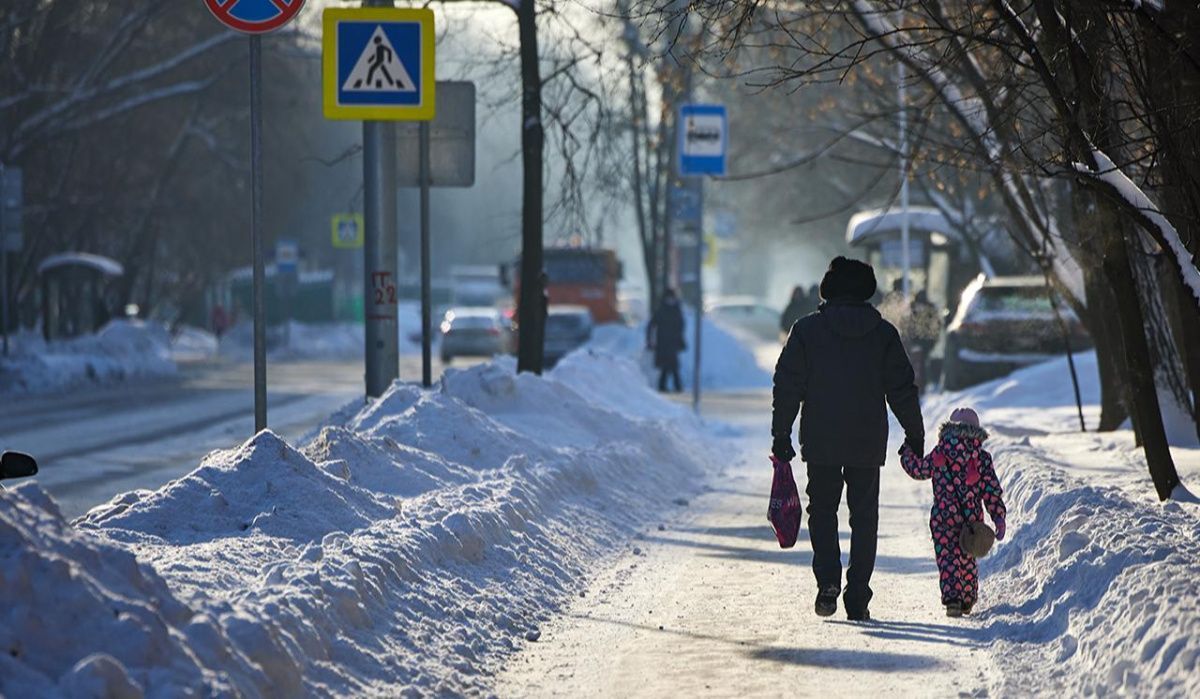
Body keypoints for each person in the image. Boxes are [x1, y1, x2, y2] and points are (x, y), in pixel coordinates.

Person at [771, 256, 924, 621]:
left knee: (822, 511)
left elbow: (788, 385)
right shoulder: (883, 334)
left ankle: (827, 580)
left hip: (821, 438)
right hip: (866, 439)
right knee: (864, 516)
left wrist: (781, 434)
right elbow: (902, 387)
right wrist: (914, 433)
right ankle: (858, 596)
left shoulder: (806, 331)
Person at [899, 407, 1007, 617]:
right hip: (971, 523)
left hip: (943, 519)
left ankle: (952, 600)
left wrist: (906, 454)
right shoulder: (982, 459)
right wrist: (999, 517)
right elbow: (991, 491)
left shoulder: (941, 453)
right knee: (967, 560)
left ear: (950, 429)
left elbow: (919, 470)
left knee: (947, 559)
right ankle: (966, 599)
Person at [647, 288, 686, 393]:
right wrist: (650, 341)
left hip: (672, 343)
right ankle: (671, 387)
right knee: (667, 366)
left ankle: (670, 386)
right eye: (669, 298)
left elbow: (681, 327)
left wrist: (681, 340)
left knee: (672, 366)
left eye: (672, 298)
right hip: (663, 343)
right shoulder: (661, 311)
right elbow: (651, 326)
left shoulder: (676, 310)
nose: (670, 300)